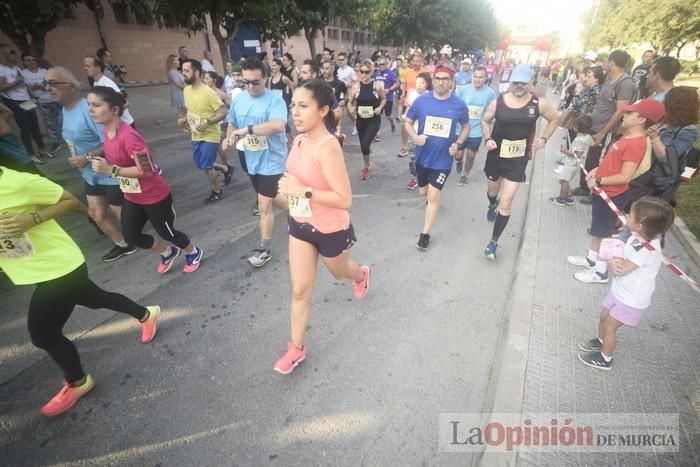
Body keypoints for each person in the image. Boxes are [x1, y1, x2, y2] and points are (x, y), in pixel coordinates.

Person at [0, 166, 161, 416]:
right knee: (96, 299)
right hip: (35, 270)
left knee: (43, 334)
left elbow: (70, 201)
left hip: (59, 269)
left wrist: (30, 220)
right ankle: (145, 314)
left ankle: (78, 381)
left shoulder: (18, 183)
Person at [273, 80, 371, 374]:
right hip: (301, 224)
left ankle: (361, 273)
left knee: (340, 272)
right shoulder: (300, 140)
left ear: (324, 109)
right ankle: (296, 348)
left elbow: (345, 199)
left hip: (331, 229)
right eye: (294, 106)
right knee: (300, 290)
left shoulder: (328, 147)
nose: (296, 113)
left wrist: (302, 191)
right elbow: (296, 180)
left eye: (304, 106)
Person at [87, 86, 204, 274]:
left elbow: (147, 170)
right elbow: (114, 151)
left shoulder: (129, 137)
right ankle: (167, 252)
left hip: (154, 196)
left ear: (114, 110)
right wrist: (95, 154)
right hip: (132, 195)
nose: (91, 110)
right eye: (89, 105)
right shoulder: (108, 132)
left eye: (96, 105)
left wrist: (111, 170)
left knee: (167, 232)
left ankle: (193, 252)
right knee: (131, 236)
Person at [567, 99, 665, 283]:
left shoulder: (636, 143)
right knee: (598, 229)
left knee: (605, 234)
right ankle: (592, 258)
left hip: (611, 194)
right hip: (603, 191)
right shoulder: (626, 137)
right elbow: (611, 162)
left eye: (629, 113)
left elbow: (625, 176)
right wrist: (597, 171)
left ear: (641, 119)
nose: (624, 115)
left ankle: (601, 272)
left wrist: (599, 180)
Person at [46, 66, 136, 262]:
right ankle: (123, 244)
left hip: (109, 171)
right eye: (45, 84)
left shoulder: (89, 109)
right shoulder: (65, 109)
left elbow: (110, 140)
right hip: (89, 173)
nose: (48, 88)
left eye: (53, 83)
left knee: (121, 213)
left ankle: (141, 239)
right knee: (96, 213)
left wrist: (85, 157)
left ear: (70, 86)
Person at [577, 197, 674, 370]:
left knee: (609, 325)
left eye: (631, 216)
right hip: (620, 290)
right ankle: (600, 342)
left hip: (631, 299)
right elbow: (621, 252)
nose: (626, 217)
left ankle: (605, 358)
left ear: (640, 225)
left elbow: (620, 269)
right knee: (604, 316)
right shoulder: (637, 236)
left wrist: (608, 259)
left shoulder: (646, 249)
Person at [481, 64, 559, 260]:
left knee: (506, 202)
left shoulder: (539, 103)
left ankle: (493, 242)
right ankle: (492, 203)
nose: (519, 86)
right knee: (493, 191)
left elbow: (554, 119)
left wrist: (544, 138)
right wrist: (488, 138)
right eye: (515, 82)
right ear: (510, 82)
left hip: (518, 159)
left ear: (530, 83)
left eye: (523, 83)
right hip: (496, 156)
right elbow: (485, 120)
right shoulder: (498, 102)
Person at [222, 57, 289, 268]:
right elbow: (232, 122)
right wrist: (228, 137)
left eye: (255, 82)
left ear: (266, 78)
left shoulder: (275, 100)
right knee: (270, 196)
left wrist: (249, 129)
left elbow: (278, 125)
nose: (250, 86)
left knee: (264, 204)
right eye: (246, 82)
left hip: (272, 160)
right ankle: (297, 212)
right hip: (251, 159)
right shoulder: (239, 100)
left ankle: (264, 249)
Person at [404, 66, 470, 250]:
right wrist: (415, 137)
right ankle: (429, 201)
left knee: (433, 196)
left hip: (443, 160)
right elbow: (408, 122)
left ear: (451, 81)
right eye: (438, 78)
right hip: (423, 156)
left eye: (445, 79)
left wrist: (457, 144)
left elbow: (466, 127)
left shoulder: (458, 105)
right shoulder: (421, 101)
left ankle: (425, 234)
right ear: (433, 80)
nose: (441, 82)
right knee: (423, 193)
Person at [574, 50, 636, 199]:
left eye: (607, 61)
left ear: (612, 63)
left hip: (605, 130)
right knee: (588, 159)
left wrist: (603, 133)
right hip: (593, 126)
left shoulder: (625, 83)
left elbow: (620, 111)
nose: (605, 63)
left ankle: (595, 192)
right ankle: (584, 186)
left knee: (600, 161)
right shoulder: (609, 79)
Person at [631, 86, 700, 204]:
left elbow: (668, 158)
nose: (663, 103)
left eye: (667, 101)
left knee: (644, 214)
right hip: (640, 174)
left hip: (657, 182)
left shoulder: (688, 130)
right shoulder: (663, 120)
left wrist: (655, 138)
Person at [178, 59, 227, 204]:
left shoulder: (208, 92)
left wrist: (208, 122)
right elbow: (190, 110)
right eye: (182, 71)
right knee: (200, 163)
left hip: (210, 135)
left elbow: (222, 112)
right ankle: (225, 168)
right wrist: (184, 119)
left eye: (186, 71)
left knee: (206, 166)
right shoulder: (186, 90)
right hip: (195, 134)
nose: (183, 74)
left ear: (197, 72)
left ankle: (217, 191)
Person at [0, 44, 52, 160]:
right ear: (4, 55)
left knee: (35, 125)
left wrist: (33, 96)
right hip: (14, 102)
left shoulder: (16, 68)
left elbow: (25, 85)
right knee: (25, 128)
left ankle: (42, 149)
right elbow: (1, 87)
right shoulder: (1, 69)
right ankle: (31, 154)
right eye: (11, 53)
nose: (16, 55)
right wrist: (15, 82)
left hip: (27, 100)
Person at [455, 65, 497, 185]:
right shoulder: (463, 90)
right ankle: (458, 161)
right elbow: (456, 107)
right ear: (472, 77)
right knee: (458, 155)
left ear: (485, 78)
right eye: (475, 76)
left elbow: (492, 110)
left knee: (471, 156)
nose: (477, 79)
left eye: (481, 77)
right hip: (461, 129)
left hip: (476, 131)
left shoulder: (490, 93)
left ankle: (465, 174)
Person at [348, 60, 386, 181]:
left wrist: (379, 108)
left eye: (367, 72)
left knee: (365, 143)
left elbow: (383, 99)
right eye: (362, 72)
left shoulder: (377, 86)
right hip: (361, 120)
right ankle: (367, 162)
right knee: (363, 146)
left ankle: (365, 167)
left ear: (371, 72)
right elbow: (350, 102)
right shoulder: (356, 86)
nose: (364, 75)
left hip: (373, 120)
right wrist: (351, 109)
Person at [21, 53, 63, 152]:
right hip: (41, 101)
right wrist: (36, 87)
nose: (32, 62)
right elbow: (24, 88)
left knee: (60, 119)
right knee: (49, 123)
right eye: (28, 60)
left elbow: (53, 82)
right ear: (24, 62)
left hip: (54, 98)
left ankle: (65, 138)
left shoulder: (43, 71)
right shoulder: (23, 73)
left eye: (33, 60)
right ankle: (55, 142)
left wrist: (47, 85)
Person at [550, 114, 594, 206]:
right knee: (566, 180)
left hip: (571, 164)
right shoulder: (588, 137)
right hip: (577, 165)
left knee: (563, 181)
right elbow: (592, 144)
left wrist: (565, 151)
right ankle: (569, 196)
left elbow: (576, 155)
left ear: (576, 127)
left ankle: (561, 198)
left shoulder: (579, 140)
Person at [84, 55, 136, 128]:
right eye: (85, 66)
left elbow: (124, 104)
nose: (85, 68)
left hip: (124, 125)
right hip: (113, 125)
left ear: (98, 68)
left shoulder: (108, 84)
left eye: (88, 66)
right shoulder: (96, 83)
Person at [203, 71, 235, 185]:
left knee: (218, 147)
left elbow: (232, 103)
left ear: (214, 80)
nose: (205, 80)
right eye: (204, 78)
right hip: (211, 124)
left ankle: (226, 168)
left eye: (207, 78)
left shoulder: (219, 93)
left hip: (222, 124)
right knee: (218, 148)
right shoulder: (205, 93)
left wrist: (232, 117)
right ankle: (226, 168)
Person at [404, 72, 432, 190]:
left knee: (425, 156)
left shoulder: (431, 97)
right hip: (413, 131)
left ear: (427, 84)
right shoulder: (411, 94)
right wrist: (405, 116)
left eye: (422, 83)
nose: (419, 85)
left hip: (427, 133)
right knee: (412, 156)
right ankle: (414, 178)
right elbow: (408, 109)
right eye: (417, 83)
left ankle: (428, 175)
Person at [398, 53, 428, 157]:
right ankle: (405, 146)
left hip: (422, 103)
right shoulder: (408, 72)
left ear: (421, 62)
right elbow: (404, 85)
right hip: (409, 102)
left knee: (420, 124)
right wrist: (402, 95)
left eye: (417, 61)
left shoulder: (425, 72)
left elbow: (429, 87)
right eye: (414, 61)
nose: (415, 63)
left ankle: (421, 142)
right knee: (405, 124)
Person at [0, 103, 43, 173]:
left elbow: (5, 129)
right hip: (14, 154)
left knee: (31, 176)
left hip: (11, 156)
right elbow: (8, 112)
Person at [373, 57, 400, 135]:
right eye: (379, 64)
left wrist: (389, 90)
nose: (380, 66)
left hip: (388, 98)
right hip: (378, 98)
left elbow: (397, 83)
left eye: (382, 64)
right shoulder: (376, 73)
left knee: (388, 115)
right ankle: (377, 134)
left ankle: (392, 123)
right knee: (377, 115)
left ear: (387, 65)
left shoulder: (390, 73)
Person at [322, 60, 347, 136]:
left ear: (332, 69)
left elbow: (346, 92)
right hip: (322, 114)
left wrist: (344, 100)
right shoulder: (319, 83)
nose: (324, 71)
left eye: (326, 68)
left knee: (334, 136)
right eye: (323, 68)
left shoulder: (339, 83)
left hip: (335, 114)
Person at [166, 54, 186, 120]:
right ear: (172, 62)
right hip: (178, 93)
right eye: (177, 60)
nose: (179, 62)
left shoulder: (177, 71)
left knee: (185, 110)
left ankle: (185, 123)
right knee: (181, 110)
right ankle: (183, 124)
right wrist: (188, 88)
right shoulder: (171, 72)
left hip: (181, 92)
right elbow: (178, 84)